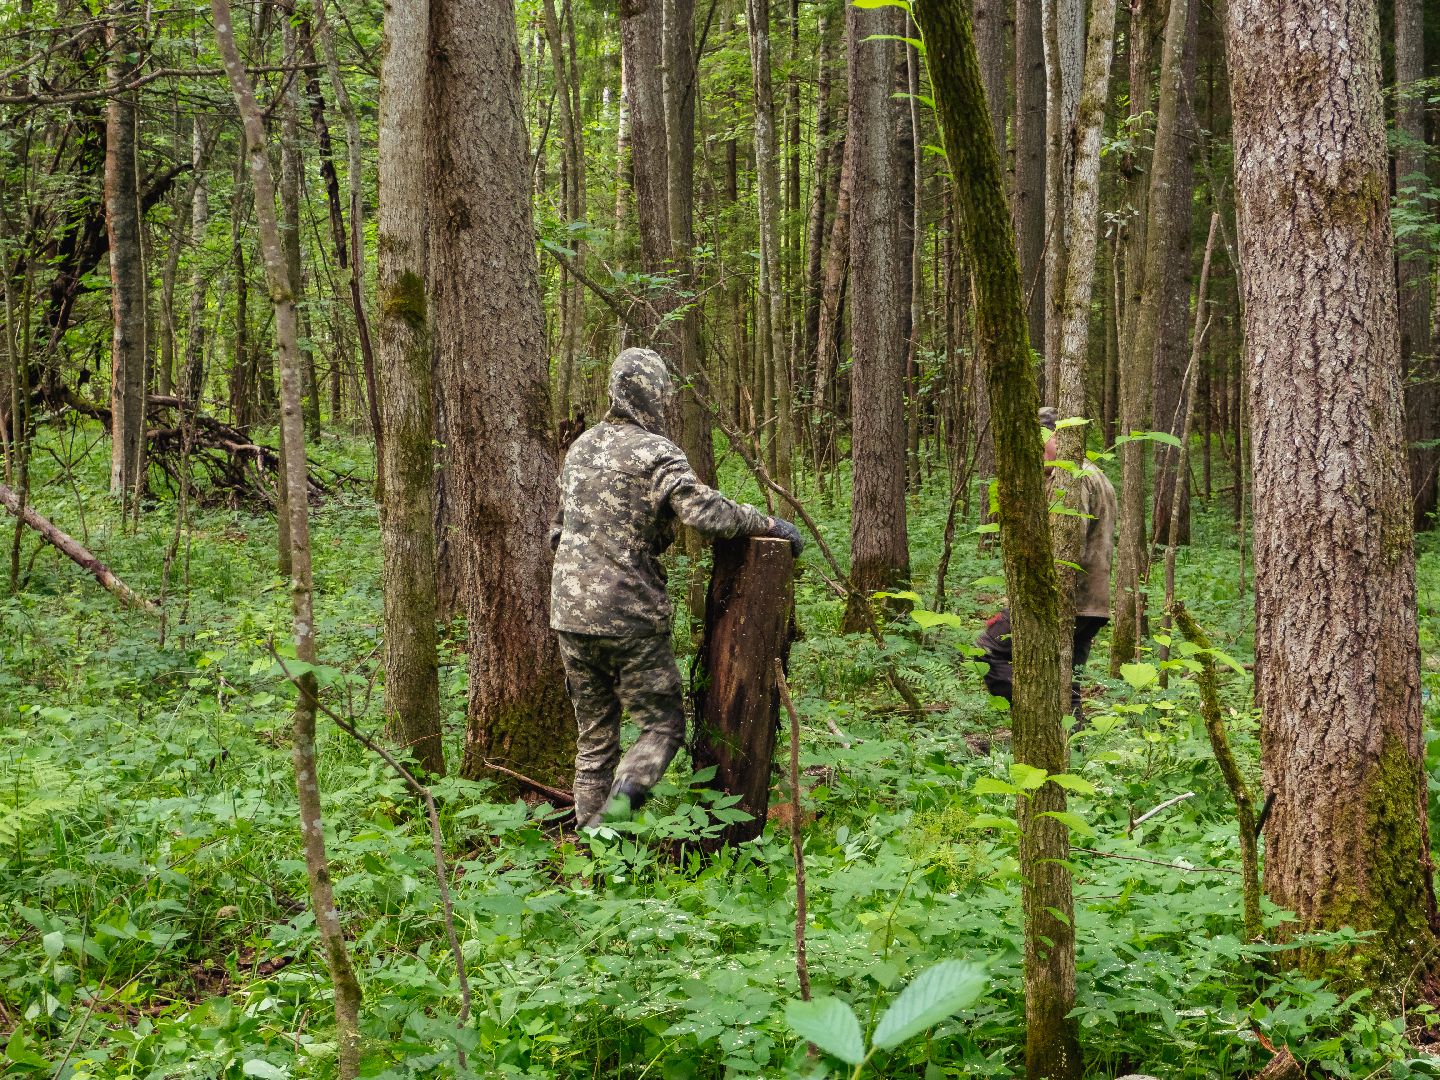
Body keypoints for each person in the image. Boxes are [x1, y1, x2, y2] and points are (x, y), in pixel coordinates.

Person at [550, 347, 804, 829]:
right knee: (663, 728)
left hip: (568, 615)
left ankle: (589, 848)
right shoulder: (655, 451)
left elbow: (557, 532)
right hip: (629, 616)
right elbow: (704, 513)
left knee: (595, 739)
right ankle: (608, 830)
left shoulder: (581, 447)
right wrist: (768, 522)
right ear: (656, 396)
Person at [976, 407, 1117, 720]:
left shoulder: (1071, 478)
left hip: (1061, 598)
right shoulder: (1093, 472)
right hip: (1090, 603)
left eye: (1042, 440)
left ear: (1060, 437)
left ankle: (1040, 723)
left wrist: (1036, 594)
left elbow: (1064, 547)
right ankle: (1070, 753)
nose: (1036, 450)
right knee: (1068, 687)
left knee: (987, 650)